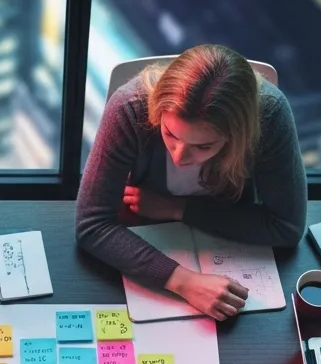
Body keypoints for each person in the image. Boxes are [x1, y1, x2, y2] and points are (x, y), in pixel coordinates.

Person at [77, 44, 307, 321]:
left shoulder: (269, 117)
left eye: (203, 146)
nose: (179, 156)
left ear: (238, 137)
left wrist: (179, 209)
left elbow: (287, 228)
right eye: (170, 134)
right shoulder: (130, 107)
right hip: (151, 231)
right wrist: (183, 282)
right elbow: (91, 225)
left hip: (225, 242)